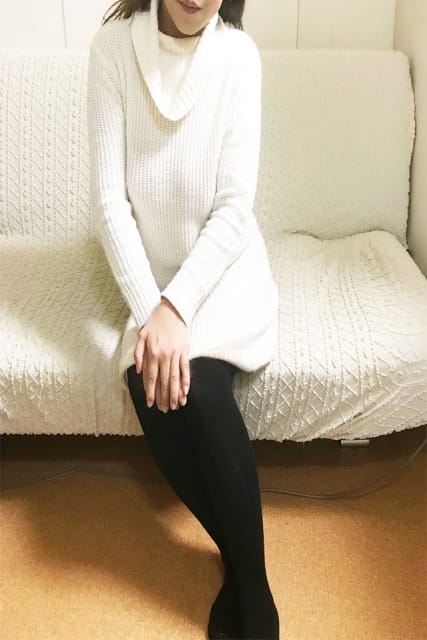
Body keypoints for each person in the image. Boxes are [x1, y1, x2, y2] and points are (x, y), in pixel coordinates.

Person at [87, 0, 280, 638]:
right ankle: (242, 565)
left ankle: (253, 592)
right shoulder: (113, 49)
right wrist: (154, 309)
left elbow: (234, 208)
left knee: (199, 383)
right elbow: (110, 204)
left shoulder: (239, 56)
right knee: (146, 378)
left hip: (223, 269)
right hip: (152, 275)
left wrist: (177, 307)